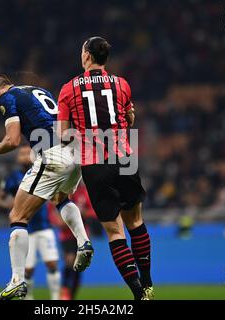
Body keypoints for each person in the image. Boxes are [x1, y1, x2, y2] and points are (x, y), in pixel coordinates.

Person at [57, 37, 153, 300]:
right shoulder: (122, 85)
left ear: (87, 56)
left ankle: (138, 293)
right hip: (124, 157)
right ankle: (147, 281)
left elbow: (62, 135)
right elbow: (129, 117)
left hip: (94, 164)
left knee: (114, 231)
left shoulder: (68, 89)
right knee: (136, 221)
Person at [0, 74, 93, 300]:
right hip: (75, 151)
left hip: (52, 154)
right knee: (60, 198)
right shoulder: (35, 89)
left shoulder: (7, 98)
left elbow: (13, 140)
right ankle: (83, 242)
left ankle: (17, 281)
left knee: (17, 215)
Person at [0, 144, 61, 300]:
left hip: (45, 227)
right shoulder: (12, 177)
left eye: (28, 153)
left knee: (52, 264)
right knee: (29, 270)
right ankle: (29, 297)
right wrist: (16, 206)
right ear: (18, 158)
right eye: (22, 154)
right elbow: (0, 199)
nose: (25, 156)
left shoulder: (43, 172)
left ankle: (56, 298)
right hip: (26, 229)